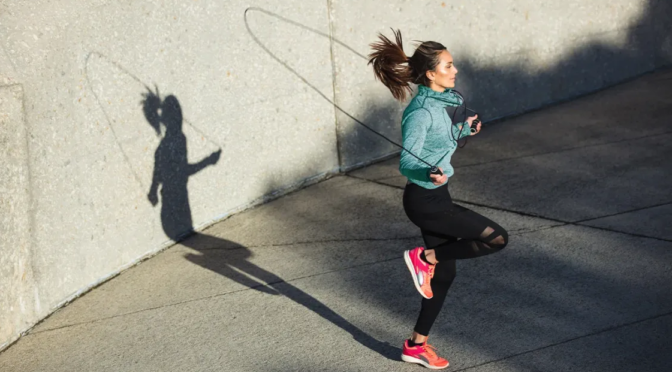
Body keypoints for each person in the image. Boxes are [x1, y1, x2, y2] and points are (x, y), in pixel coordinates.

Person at [369, 30, 509, 369]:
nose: (455, 69)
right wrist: (428, 172)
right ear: (431, 73)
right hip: (426, 201)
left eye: (453, 63)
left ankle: (416, 345)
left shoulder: (443, 102)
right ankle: (425, 257)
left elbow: (441, 137)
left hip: (436, 197)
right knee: (496, 238)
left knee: (445, 278)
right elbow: (408, 160)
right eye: (448, 65)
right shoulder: (419, 112)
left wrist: (464, 130)